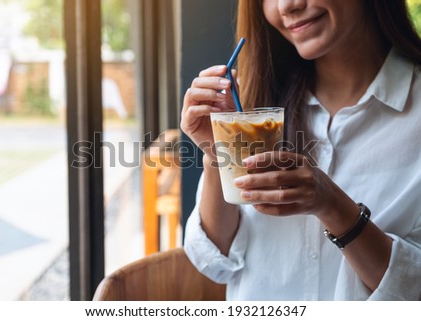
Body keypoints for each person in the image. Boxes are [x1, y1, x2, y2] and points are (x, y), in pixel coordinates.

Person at [180, 0, 421, 300]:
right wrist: (218, 154)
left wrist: (334, 206)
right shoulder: (251, 104)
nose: (287, 6)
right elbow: (214, 261)